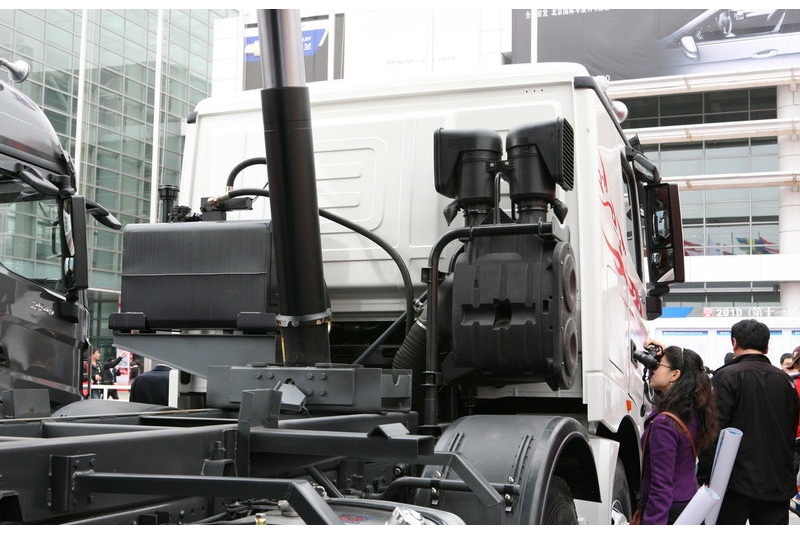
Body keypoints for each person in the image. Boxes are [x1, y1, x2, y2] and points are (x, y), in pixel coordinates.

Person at [697, 319, 799, 525]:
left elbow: (713, 430)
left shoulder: (725, 376)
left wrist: (705, 476)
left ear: (734, 342)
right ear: (767, 346)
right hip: (777, 482)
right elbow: (790, 428)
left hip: (733, 483)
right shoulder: (786, 381)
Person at [635, 341, 717, 525]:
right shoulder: (692, 412)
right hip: (687, 504)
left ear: (675, 374)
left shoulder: (665, 424)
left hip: (667, 512)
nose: (652, 369)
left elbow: (661, 486)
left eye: (658, 365)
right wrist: (669, 355)